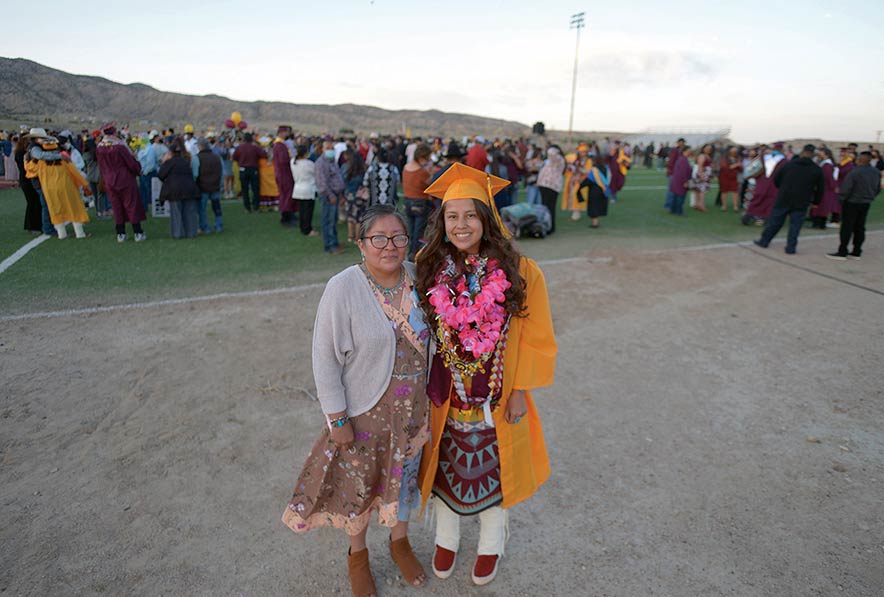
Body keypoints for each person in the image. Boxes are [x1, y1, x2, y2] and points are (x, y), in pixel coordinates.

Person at [416, 163, 557, 586]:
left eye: (471, 215)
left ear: (487, 218)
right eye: (452, 216)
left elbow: (536, 334)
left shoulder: (520, 269)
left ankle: (492, 542)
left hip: (497, 389)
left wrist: (520, 390)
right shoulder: (429, 265)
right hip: (446, 390)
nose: (461, 225)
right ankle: (446, 538)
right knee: (444, 463)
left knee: (497, 466)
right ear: (442, 222)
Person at [282, 204, 430, 597]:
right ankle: (358, 556)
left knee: (404, 482)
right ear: (361, 243)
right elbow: (324, 357)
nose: (389, 246)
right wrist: (337, 418)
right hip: (365, 412)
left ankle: (400, 543)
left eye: (399, 238)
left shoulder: (419, 279)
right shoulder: (343, 287)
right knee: (360, 488)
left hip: (413, 412)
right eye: (377, 238)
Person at [753, 144, 823, 255]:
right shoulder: (816, 169)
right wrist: (816, 202)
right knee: (795, 226)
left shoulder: (789, 165)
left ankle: (764, 241)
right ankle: (791, 247)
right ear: (813, 154)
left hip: (784, 197)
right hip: (802, 200)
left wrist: (783, 188)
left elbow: (776, 179)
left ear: (802, 152)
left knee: (775, 221)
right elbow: (820, 188)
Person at [24, 136, 92, 239]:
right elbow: (74, 172)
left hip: (49, 188)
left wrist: (26, 161)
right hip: (66, 186)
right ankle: (80, 233)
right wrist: (85, 185)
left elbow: (30, 171)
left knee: (55, 210)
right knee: (74, 208)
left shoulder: (40, 162)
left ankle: (62, 234)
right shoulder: (63, 158)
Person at [96, 123, 146, 242]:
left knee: (116, 206)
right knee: (131, 205)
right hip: (125, 179)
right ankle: (137, 232)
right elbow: (131, 163)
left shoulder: (100, 147)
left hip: (109, 179)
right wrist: (138, 169)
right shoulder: (120, 147)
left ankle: (120, 233)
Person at [826, 151, 881, 260]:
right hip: (865, 202)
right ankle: (857, 251)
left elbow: (846, 188)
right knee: (860, 227)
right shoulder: (875, 172)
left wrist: (841, 199)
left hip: (852, 202)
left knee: (847, 227)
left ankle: (843, 251)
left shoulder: (855, 172)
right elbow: (877, 188)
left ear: (860, 160)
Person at [158, 141, 201, 239]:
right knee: (190, 213)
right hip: (190, 189)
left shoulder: (169, 162)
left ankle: (177, 234)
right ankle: (191, 233)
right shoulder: (186, 161)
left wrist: (163, 162)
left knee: (176, 213)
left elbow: (161, 175)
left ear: (170, 153)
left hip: (175, 190)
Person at [402, 143, 434, 260]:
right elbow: (430, 185)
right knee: (419, 231)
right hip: (420, 202)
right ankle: (414, 255)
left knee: (410, 230)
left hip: (407, 201)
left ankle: (410, 252)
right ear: (422, 157)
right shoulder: (422, 172)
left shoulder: (406, 168)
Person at [314, 139, 346, 254]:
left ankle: (335, 241)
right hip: (328, 196)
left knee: (333, 220)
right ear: (322, 150)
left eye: (332, 148)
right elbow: (322, 183)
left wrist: (341, 195)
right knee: (328, 220)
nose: (330, 150)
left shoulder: (332, 161)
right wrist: (331, 195)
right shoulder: (320, 163)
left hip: (336, 194)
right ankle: (330, 245)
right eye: (328, 148)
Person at [193, 138, 223, 233]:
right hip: (215, 186)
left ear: (200, 146)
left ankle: (205, 227)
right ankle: (218, 226)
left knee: (202, 209)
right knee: (217, 207)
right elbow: (222, 172)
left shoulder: (197, 158)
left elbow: (195, 174)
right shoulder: (217, 157)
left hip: (202, 187)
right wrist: (221, 184)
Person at [14, 134, 42, 234]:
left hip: (25, 179)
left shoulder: (19, 152)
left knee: (32, 202)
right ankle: (34, 225)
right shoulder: (22, 153)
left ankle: (32, 225)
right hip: (27, 179)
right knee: (33, 202)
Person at [232, 133, 267, 213]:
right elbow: (264, 155)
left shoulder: (239, 148)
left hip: (243, 169)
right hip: (253, 169)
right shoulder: (255, 147)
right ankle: (256, 207)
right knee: (255, 189)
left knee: (245, 190)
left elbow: (234, 157)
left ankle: (247, 208)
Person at [290, 145, 319, 238]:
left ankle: (303, 227)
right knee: (308, 211)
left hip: (298, 188)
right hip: (308, 188)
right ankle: (307, 229)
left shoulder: (293, 162)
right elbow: (316, 173)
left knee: (302, 210)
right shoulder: (308, 164)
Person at [536, 145, 565, 234]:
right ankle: (547, 225)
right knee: (546, 207)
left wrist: (552, 149)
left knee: (549, 207)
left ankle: (549, 227)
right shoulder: (549, 161)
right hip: (545, 185)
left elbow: (551, 154)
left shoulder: (558, 159)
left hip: (552, 186)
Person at [273, 127, 297, 227]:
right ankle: (285, 217)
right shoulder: (280, 145)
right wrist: (292, 160)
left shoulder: (280, 144)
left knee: (286, 194)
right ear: (281, 133)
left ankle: (289, 214)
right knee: (286, 194)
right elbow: (283, 160)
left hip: (282, 173)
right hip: (284, 173)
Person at [668, 146, 693, 215]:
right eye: (689, 150)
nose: (690, 151)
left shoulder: (682, 159)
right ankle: (679, 211)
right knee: (680, 197)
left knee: (676, 196)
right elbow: (683, 172)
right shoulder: (683, 160)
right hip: (680, 181)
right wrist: (685, 182)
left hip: (677, 180)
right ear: (685, 151)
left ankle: (673, 209)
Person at [664, 138, 686, 211]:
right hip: (673, 173)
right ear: (677, 143)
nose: (681, 144)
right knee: (671, 190)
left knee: (676, 190)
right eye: (680, 142)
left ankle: (672, 205)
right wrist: (670, 171)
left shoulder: (683, 151)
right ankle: (668, 205)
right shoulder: (675, 150)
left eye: (682, 142)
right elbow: (671, 162)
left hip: (679, 173)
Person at [718, 146, 742, 212]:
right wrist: (737, 165)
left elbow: (740, 169)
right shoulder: (724, 158)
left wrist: (739, 166)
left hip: (734, 177)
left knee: (735, 191)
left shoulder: (738, 158)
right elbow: (725, 167)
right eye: (733, 150)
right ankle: (724, 206)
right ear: (729, 151)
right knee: (724, 191)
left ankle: (735, 207)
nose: (735, 152)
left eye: (736, 151)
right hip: (724, 177)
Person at [691, 144, 713, 211]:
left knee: (698, 190)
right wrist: (701, 175)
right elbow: (700, 166)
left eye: (710, 149)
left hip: (705, 175)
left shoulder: (707, 156)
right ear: (703, 149)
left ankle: (697, 204)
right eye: (707, 148)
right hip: (702, 175)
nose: (708, 150)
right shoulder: (702, 156)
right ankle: (701, 205)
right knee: (702, 191)